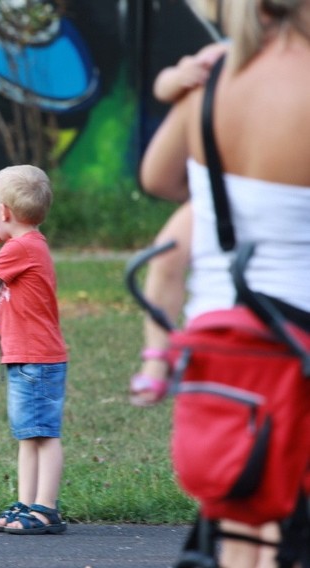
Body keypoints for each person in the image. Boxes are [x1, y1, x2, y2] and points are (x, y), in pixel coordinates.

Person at [139, 0, 310, 565]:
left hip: (221, 336)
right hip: (300, 336)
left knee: (240, 518)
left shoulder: (215, 80)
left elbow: (158, 177)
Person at [0, 165, 68, 535]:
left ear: (3, 212)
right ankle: (27, 504)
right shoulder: (29, 247)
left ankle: (45, 509)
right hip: (27, 357)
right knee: (28, 435)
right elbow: (27, 303)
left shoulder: (19, 247)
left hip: (36, 360)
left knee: (44, 435)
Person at [129, 38, 229, 407]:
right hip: (212, 192)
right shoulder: (220, 54)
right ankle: (157, 356)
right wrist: (182, 77)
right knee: (166, 256)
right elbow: (162, 85)